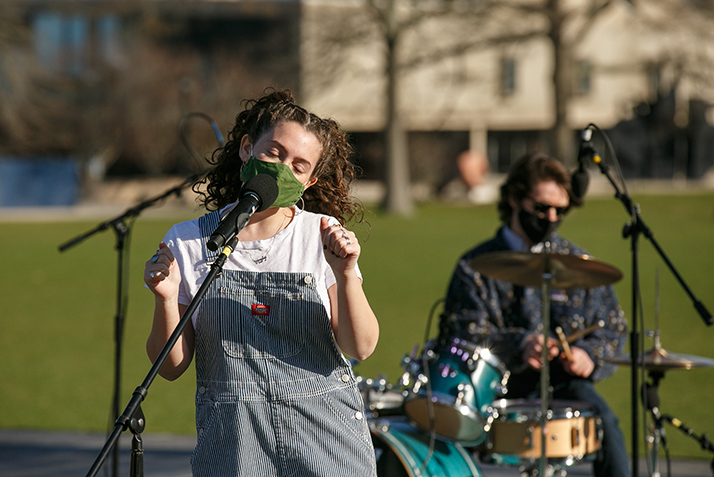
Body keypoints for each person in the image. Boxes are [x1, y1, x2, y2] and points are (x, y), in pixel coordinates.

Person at [144, 89, 379, 477]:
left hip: (327, 442)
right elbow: (169, 368)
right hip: (234, 447)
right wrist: (166, 298)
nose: (283, 169)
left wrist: (346, 273)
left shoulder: (321, 234)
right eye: (274, 152)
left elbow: (361, 347)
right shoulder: (186, 241)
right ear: (247, 148)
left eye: (299, 165)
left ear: (309, 181)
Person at [439, 153, 629, 477]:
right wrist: (520, 345)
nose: (551, 217)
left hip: (562, 384)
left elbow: (613, 327)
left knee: (607, 427)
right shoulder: (476, 266)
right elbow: (460, 332)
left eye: (560, 210)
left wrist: (589, 355)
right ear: (515, 199)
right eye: (541, 208)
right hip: (492, 385)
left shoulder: (576, 262)